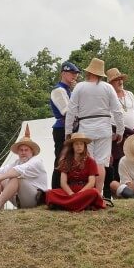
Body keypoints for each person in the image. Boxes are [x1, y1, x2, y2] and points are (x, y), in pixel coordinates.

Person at [64, 57, 123, 194]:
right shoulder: (108, 87)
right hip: (104, 128)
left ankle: (88, 194)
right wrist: (120, 130)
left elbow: (71, 111)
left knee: (88, 161)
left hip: (86, 129)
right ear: (101, 73)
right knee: (101, 163)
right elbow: (117, 111)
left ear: (89, 72)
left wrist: (68, 131)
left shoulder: (79, 87)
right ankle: (98, 193)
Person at [0, 133, 48, 216]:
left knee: (14, 178)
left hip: (37, 199)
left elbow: (16, 171)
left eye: (26, 150)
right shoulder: (17, 162)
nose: (23, 152)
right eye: (21, 150)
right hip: (20, 200)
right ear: (18, 152)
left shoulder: (36, 161)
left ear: (32, 151)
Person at [105, 66, 134, 197]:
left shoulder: (130, 95)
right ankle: (120, 192)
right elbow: (105, 118)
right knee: (117, 164)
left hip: (133, 135)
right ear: (110, 83)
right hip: (117, 137)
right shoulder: (107, 97)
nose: (120, 81)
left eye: (121, 78)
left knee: (133, 161)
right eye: (116, 80)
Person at [45, 133, 106, 212]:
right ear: (72, 146)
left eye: (81, 144)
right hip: (70, 190)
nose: (79, 146)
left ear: (84, 146)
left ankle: (66, 204)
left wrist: (80, 193)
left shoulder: (91, 161)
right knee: (50, 193)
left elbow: (91, 182)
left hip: (85, 191)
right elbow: (63, 183)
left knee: (94, 192)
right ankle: (80, 204)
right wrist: (71, 193)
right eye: (76, 144)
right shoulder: (66, 161)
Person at [49, 60, 80, 188]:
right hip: (62, 128)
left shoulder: (69, 90)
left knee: (71, 160)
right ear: (63, 73)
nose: (74, 76)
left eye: (76, 73)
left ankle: (67, 188)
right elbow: (67, 111)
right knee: (61, 160)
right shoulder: (59, 90)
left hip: (72, 128)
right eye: (71, 73)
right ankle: (56, 190)